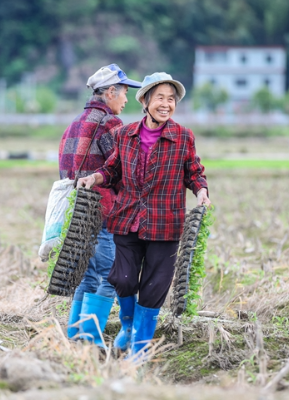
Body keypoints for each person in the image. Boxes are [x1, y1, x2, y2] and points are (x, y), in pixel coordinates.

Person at [77, 72, 210, 358]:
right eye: (160, 97)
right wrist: (95, 178)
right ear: (146, 101)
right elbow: (113, 170)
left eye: (171, 99)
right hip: (127, 220)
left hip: (166, 224)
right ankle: (126, 325)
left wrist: (200, 191)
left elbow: (194, 172)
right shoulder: (125, 134)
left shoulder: (183, 137)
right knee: (122, 279)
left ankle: (139, 346)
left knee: (153, 288)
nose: (166, 104)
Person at [58, 64, 141, 346]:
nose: (126, 100)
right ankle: (91, 339)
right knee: (110, 275)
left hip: (78, 212)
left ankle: (75, 335)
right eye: (124, 93)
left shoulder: (74, 124)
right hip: (103, 212)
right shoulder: (109, 124)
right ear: (109, 92)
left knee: (87, 275)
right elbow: (120, 170)